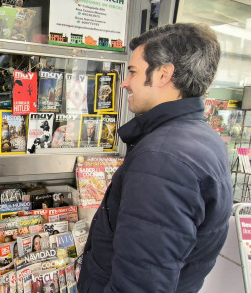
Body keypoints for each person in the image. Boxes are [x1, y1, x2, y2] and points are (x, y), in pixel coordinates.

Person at [77, 23, 233, 293]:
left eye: (134, 72)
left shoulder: (163, 158)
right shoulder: (201, 137)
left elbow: (140, 283)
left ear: (163, 74)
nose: (124, 82)